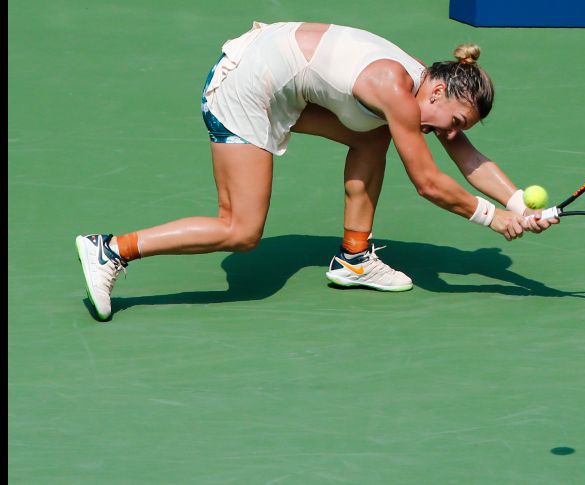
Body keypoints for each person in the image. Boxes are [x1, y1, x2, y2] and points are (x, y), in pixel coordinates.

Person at [75, 21, 558, 321]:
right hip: (244, 88)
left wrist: (518, 204)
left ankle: (355, 258)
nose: (451, 133)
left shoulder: (419, 85)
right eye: (454, 121)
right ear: (437, 93)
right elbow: (428, 183)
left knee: (372, 134)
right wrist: (493, 218)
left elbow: (466, 155)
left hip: (278, 80)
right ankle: (112, 250)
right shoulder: (393, 88)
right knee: (240, 229)